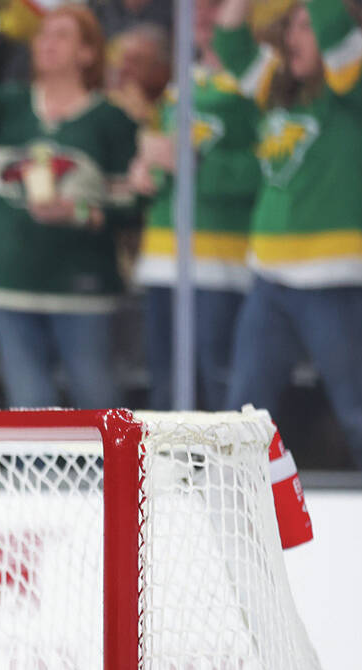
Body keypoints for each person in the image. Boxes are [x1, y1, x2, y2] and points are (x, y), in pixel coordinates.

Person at [215, 0, 362, 469]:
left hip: (335, 279)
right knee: (243, 410)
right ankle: (231, 509)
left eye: (306, 27)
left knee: (360, 413)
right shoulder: (278, 93)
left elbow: (335, 24)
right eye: (290, 26)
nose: (294, 36)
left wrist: (325, 18)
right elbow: (229, 40)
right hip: (269, 277)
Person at [0, 3, 138, 409]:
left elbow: (132, 206)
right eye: (43, 35)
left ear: (88, 53)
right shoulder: (4, 105)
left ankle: (113, 476)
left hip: (82, 289)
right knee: (28, 408)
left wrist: (77, 212)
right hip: (9, 285)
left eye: (62, 35)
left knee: (97, 402)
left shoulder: (111, 120)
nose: (46, 43)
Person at [129, 0, 259, 411]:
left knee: (219, 388)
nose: (201, 16)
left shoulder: (260, 78)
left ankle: (229, 476)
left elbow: (266, 169)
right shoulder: (181, 83)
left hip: (221, 262)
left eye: (214, 6)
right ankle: (164, 477)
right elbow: (169, 158)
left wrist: (194, 162)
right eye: (194, 8)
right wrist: (144, 170)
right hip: (163, 257)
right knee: (164, 390)